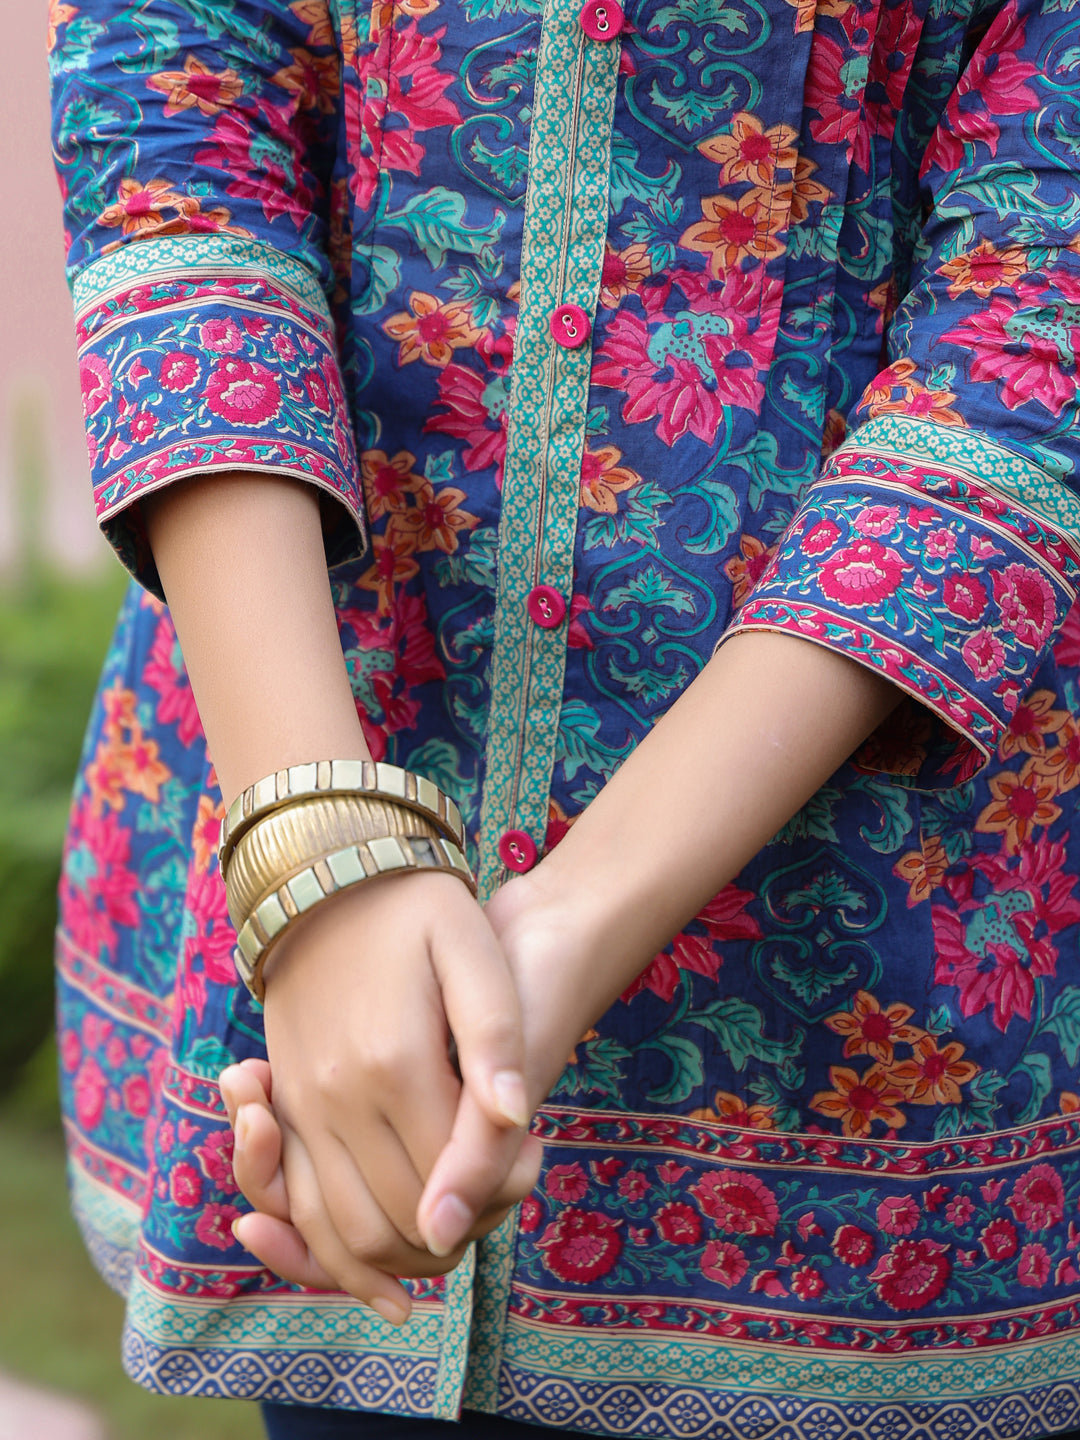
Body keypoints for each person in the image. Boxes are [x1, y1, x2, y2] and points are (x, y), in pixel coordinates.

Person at [50, 0, 1080, 1433]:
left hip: (861, 1030)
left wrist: (555, 938)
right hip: (307, 924)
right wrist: (314, 836)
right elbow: (173, 89)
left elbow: (1033, 336)